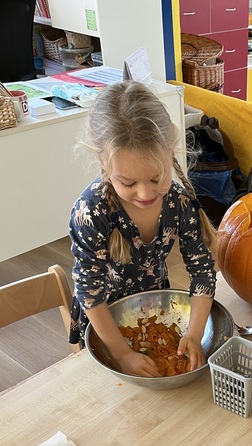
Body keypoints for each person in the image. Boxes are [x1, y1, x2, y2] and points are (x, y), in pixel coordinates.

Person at [68, 80, 217, 377]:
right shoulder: (92, 212)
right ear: (102, 161)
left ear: (169, 151)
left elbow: (202, 272)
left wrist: (194, 334)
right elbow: (90, 293)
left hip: (153, 303)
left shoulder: (179, 203)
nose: (146, 193)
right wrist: (121, 352)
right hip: (102, 323)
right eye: (128, 182)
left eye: (156, 178)